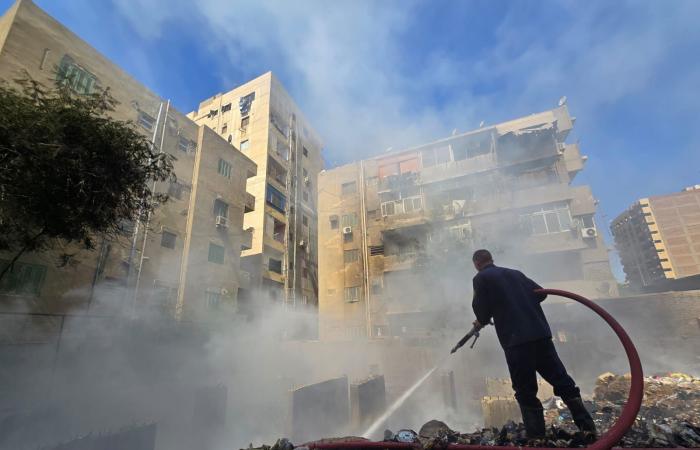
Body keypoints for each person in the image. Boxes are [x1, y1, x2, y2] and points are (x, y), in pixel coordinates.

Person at [470, 249, 596, 439]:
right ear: (491, 259)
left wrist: (482, 319)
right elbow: (540, 293)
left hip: (516, 342)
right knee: (562, 380)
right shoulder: (515, 274)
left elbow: (481, 311)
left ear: (477, 263)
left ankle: (537, 438)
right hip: (540, 336)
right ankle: (588, 428)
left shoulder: (481, 278)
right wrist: (519, 302)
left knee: (525, 390)